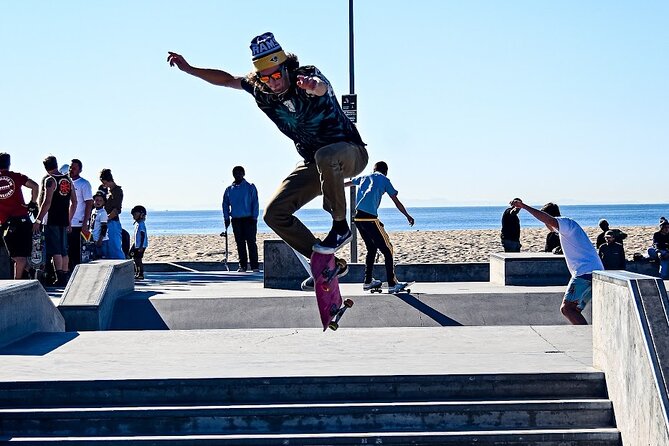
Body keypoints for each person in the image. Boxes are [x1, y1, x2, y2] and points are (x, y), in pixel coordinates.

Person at [168, 32, 368, 288]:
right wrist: (189, 68)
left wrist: (311, 85)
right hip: (315, 164)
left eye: (277, 75)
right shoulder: (259, 88)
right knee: (274, 214)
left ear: (287, 67)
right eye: (266, 77)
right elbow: (228, 80)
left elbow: (321, 86)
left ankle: (340, 226)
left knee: (325, 154)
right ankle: (324, 261)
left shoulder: (305, 75)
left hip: (350, 153)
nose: (273, 83)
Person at [510, 199, 603, 325]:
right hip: (592, 271)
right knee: (573, 309)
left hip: (584, 272)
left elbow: (547, 219)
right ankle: (584, 331)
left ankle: (583, 334)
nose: (546, 226)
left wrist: (524, 206)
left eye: (545, 223)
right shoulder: (567, 229)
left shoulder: (565, 223)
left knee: (566, 309)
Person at [345, 161, 414, 293]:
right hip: (370, 219)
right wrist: (407, 215)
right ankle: (392, 284)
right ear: (386, 171)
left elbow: (347, 184)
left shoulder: (364, 177)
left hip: (358, 219)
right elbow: (396, 202)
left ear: (374, 169)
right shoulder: (384, 180)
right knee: (388, 249)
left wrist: (330, 186)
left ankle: (368, 281)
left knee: (371, 248)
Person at [34, 155, 77, 286]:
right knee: (64, 250)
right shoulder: (68, 180)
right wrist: (69, 220)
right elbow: (74, 202)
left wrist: (38, 220)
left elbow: (47, 202)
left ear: (46, 167)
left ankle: (59, 277)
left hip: (51, 219)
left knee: (55, 250)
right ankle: (64, 275)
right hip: (64, 219)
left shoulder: (50, 180)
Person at [0, 153, 39, 279]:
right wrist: (33, 203)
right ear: (9, 164)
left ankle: (17, 283)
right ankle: (31, 271)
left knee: (18, 257)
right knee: (18, 256)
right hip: (23, 220)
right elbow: (35, 186)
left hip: (9, 222)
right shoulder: (16, 176)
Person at [222, 166, 260, 272]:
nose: (237, 175)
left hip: (249, 219)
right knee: (240, 243)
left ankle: (255, 266)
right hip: (236, 220)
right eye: (235, 173)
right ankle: (242, 265)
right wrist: (226, 218)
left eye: (239, 173)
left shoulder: (250, 187)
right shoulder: (229, 189)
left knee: (251, 242)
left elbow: (255, 203)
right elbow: (225, 204)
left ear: (243, 174)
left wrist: (254, 217)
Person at [67, 159, 93, 270]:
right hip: (66, 223)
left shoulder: (84, 184)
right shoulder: (65, 182)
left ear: (80, 170)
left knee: (76, 252)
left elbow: (89, 203)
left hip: (78, 223)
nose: (71, 170)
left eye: (74, 168)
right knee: (66, 251)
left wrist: (85, 223)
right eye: (70, 168)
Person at [99, 168, 125, 259]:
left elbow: (116, 209)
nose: (103, 184)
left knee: (115, 248)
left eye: (103, 182)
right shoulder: (108, 191)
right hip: (108, 222)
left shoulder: (117, 191)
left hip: (112, 222)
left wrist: (106, 219)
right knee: (108, 248)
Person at [129, 205, 148, 280]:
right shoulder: (137, 223)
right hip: (137, 244)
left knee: (138, 259)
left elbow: (143, 235)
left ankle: (140, 273)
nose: (133, 216)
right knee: (133, 257)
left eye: (135, 214)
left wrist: (141, 246)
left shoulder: (141, 224)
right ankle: (136, 272)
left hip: (141, 245)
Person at [90, 190, 108, 259]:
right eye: (96, 200)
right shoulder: (94, 210)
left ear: (104, 202)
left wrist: (100, 240)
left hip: (101, 241)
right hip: (94, 239)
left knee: (102, 258)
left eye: (101, 200)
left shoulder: (103, 213)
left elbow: (104, 227)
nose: (98, 202)